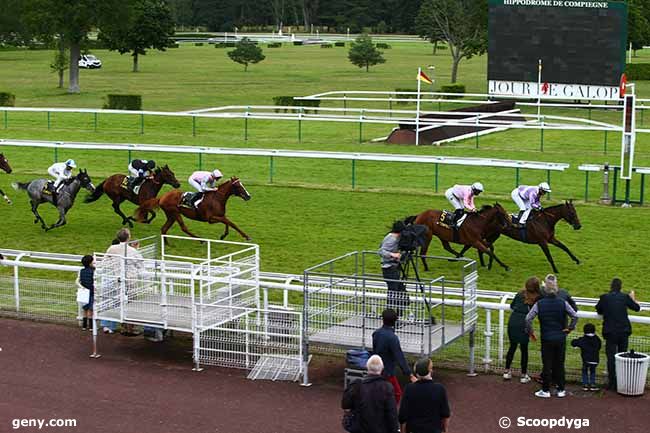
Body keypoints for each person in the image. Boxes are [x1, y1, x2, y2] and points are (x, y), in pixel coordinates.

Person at [525, 281, 578, 398]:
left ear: (545, 290)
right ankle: (561, 389)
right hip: (560, 337)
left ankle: (545, 390)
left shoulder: (539, 303)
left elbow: (528, 318)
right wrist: (570, 328)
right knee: (559, 363)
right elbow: (575, 315)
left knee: (547, 364)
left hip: (547, 338)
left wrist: (530, 331)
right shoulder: (563, 302)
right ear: (556, 289)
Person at [595, 278, 641, 390]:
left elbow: (598, 310)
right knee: (622, 357)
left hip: (610, 332)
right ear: (621, 287)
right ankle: (622, 383)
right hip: (623, 331)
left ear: (611, 286)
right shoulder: (625, 297)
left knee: (611, 358)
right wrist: (632, 298)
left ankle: (612, 383)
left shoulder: (604, 297)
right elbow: (637, 308)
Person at [341, 355, 399, 433]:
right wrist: (394, 430)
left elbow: (345, 405)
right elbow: (392, 414)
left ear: (367, 367)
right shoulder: (387, 387)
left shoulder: (356, 385)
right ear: (382, 368)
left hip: (359, 428)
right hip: (380, 429)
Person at [372, 309, 416, 403]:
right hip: (388, 371)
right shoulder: (392, 338)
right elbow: (399, 357)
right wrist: (409, 373)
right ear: (395, 321)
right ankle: (389, 413)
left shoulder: (376, 333)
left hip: (377, 369)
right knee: (397, 393)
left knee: (379, 393)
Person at [104, 228, 143, 336]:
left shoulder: (112, 248)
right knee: (131, 301)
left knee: (120, 301)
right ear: (128, 237)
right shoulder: (133, 251)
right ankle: (129, 328)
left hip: (118, 278)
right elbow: (140, 264)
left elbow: (105, 261)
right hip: (130, 278)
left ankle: (124, 326)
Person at [503, 277, 541, 383]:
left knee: (512, 346)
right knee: (524, 350)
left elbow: (512, 306)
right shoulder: (538, 297)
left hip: (513, 321)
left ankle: (506, 372)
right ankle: (523, 375)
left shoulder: (520, 293)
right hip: (524, 323)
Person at [399, 358, 451, 433]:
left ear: (416, 372)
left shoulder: (409, 389)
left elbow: (402, 416)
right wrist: (445, 430)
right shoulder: (439, 389)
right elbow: (445, 414)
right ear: (430, 370)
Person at [378, 221, 407, 316]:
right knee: (393, 291)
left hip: (394, 267)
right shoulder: (391, 239)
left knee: (398, 290)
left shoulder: (395, 237)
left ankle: (396, 313)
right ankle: (389, 314)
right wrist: (393, 255)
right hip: (389, 268)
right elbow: (381, 251)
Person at [571, 323, 602, 391]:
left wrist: (576, 341)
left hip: (586, 360)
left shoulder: (583, 339)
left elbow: (573, 343)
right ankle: (592, 384)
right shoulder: (597, 339)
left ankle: (585, 384)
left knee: (585, 371)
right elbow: (599, 346)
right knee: (593, 371)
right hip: (595, 360)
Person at [77, 254, 95, 331]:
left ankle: (84, 326)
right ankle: (91, 327)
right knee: (90, 310)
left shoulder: (81, 271)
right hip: (91, 292)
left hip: (83, 292)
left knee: (84, 309)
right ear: (90, 263)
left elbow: (79, 280)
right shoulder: (93, 271)